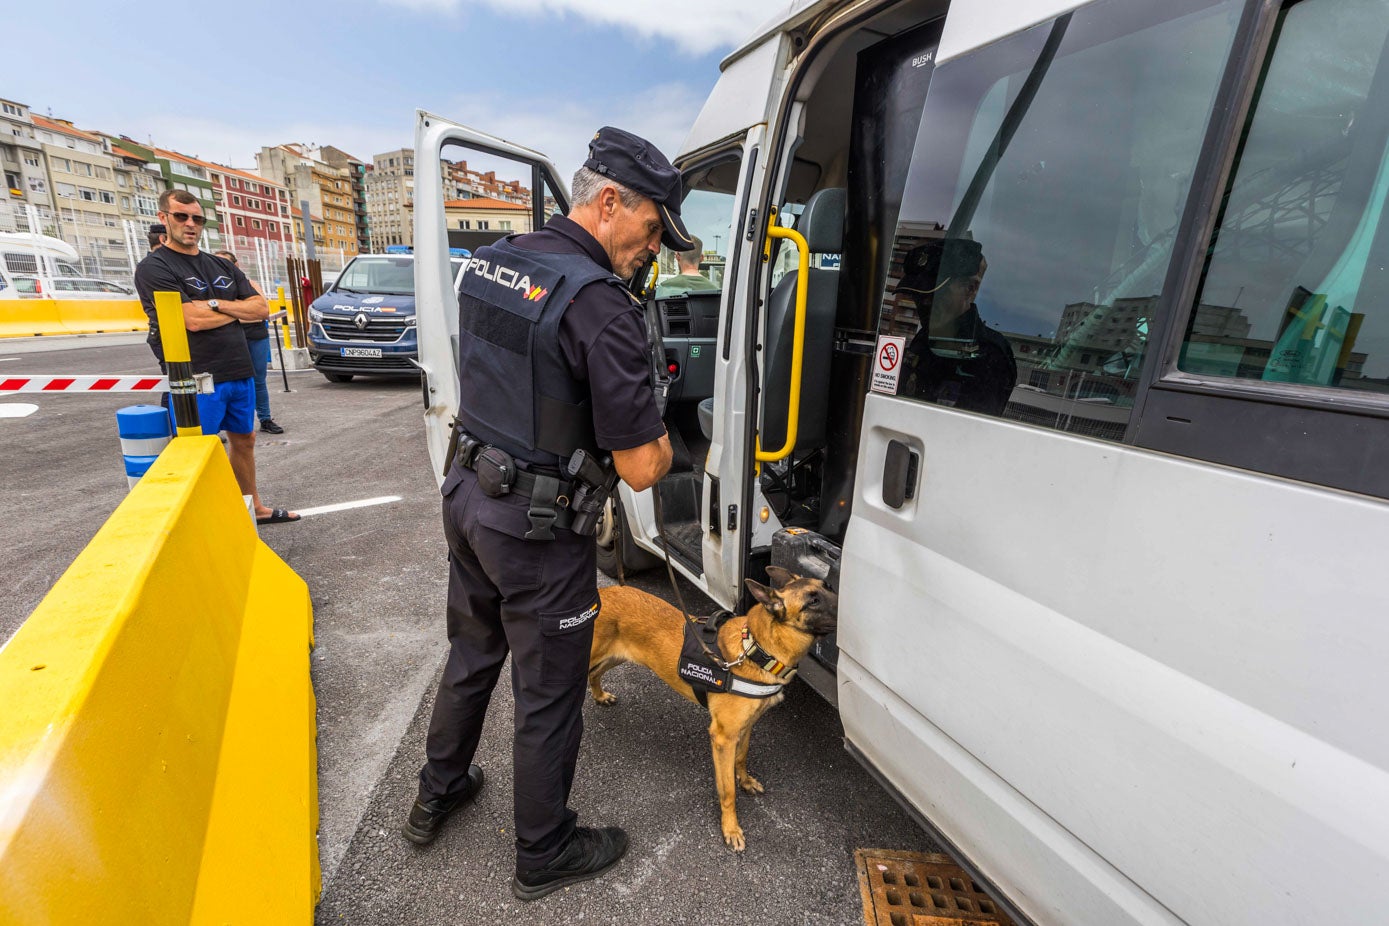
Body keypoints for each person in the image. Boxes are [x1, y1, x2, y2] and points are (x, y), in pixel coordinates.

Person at [405, 126, 678, 901]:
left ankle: (439, 791)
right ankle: (543, 848)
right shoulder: (601, 307)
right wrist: (658, 433)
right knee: (549, 692)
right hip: (535, 530)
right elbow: (641, 468)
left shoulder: (497, 259)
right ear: (609, 202)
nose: (650, 250)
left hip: (467, 496)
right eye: (651, 229)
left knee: (471, 654)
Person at [134, 190, 299, 525]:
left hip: (238, 371)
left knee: (245, 440)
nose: (190, 224)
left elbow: (260, 308)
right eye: (181, 217)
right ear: (164, 218)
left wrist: (213, 304)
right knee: (197, 451)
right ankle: (204, 521)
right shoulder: (154, 268)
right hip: (196, 376)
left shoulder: (220, 264)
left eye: (197, 218)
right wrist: (234, 310)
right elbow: (190, 320)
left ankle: (253, 507)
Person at [898, 237, 1017, 415]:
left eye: (937, 294)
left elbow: (974, 433)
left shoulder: (990, 354)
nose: (924, 303)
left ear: (970, 289)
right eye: (917, 295)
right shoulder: (923, 339)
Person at [214, 250, 283, 434]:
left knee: (258, 380)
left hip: (256, 336)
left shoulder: (249, 285)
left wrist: (225, 312)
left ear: (235, 266)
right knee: (225, 383)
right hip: (227, 339)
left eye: (225, 264)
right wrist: (243, 311)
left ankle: (265, 419)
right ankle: (219, 427)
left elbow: (262, 312)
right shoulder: (213, 290)